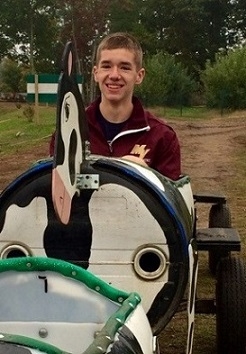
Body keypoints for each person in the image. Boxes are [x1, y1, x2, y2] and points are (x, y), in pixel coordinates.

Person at [50, 32, 181, 180]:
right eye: (106, 66)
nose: (114, 75)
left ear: (139, 75)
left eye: (124, 67)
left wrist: (147, 175)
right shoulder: (67, 133)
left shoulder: (162, 137)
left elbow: (171, 199)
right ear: (95, 73)